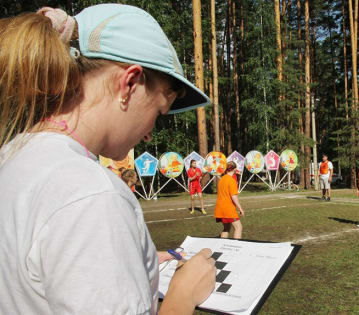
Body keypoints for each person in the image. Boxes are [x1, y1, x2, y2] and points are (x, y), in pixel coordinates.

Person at [0, 4, 216, 314]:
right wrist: (182, 297)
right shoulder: (91, 192)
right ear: (129, 84)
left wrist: (126, 260)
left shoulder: (14, 157)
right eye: (158, 113)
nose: (148, 135)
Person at [214, 162, 245, 239]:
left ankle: (222, 247)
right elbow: (234, 196)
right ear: (234, 169)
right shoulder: (231, 181)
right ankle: (236, 248)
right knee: (239, 228)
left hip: (219, 209)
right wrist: (240, 208)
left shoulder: (221, 179)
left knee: (226, 228)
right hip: (228, 209)